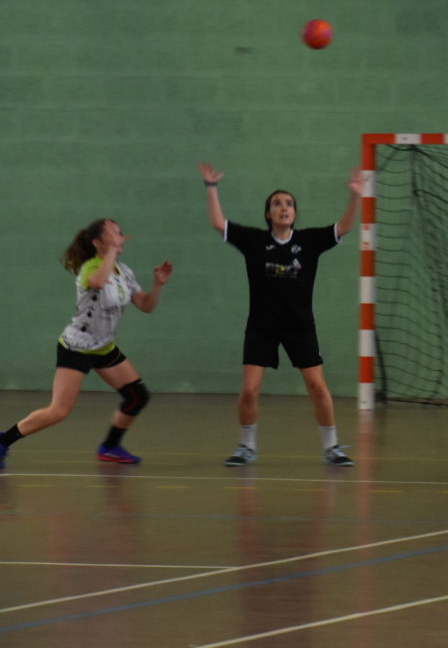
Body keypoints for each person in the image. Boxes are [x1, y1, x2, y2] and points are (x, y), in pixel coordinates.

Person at [199, 162, 360, 467]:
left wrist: (355, 195)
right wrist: (211, 187)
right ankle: (246, 447)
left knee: (317, 387)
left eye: (289, 204)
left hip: (300, 327)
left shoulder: (309, 241)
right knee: (250, 390)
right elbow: (219, 223)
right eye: (277, 203)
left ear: (294, 213)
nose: (283, 208)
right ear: (268, 214)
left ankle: (332, 448)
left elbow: (344, 227)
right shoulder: (254, 241)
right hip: (262, 327)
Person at [0, 219, 172, 470]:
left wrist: (158, 284)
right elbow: (98, 282)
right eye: (113, 234)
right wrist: (111, 251)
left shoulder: (124, 272)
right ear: (98, 243)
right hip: (77, 347)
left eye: (120, 232)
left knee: (137, 397)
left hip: (104, 347)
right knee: (59, 410)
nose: (120, 236)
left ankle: (110, 447)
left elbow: (146, 305)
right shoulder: (89, 268)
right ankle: (3, 440)